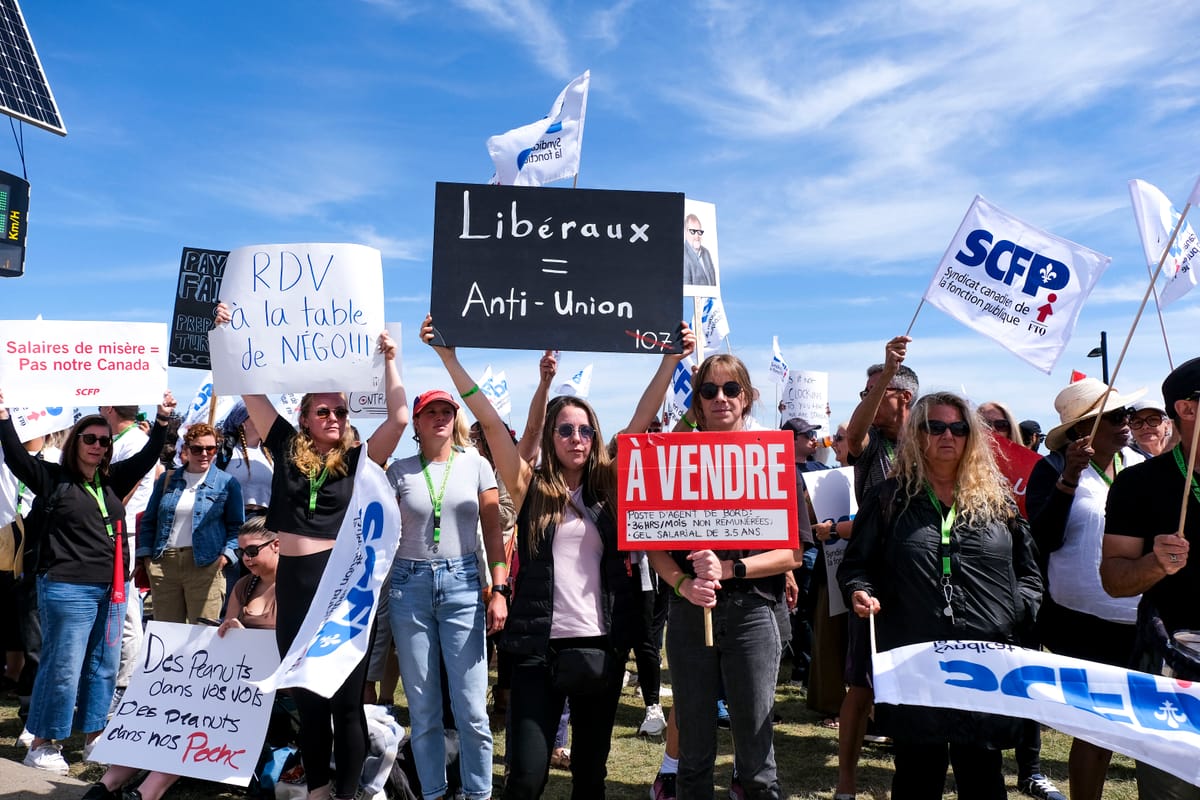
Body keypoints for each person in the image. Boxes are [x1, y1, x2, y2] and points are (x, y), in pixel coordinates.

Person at [422, 313, 692, 799]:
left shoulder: (607, 486)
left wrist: (671, 360)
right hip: (536, 652)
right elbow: (489, 421)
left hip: (602, 649)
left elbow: (641, 417)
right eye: (566, 430)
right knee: (526, 777)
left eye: (585, 431)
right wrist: (449, 359)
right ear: (551, 436)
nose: (576, 439)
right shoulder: (527, 486)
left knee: (589, 776)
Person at [216, 300, 408, 800]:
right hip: (296, 585)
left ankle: (346, 793)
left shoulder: (360, 459)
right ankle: (319, 790)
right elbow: (249, 387)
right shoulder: (283, 445)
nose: (334, 417)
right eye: (323, 411)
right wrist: (228, 333)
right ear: (303, 417)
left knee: (346, 701)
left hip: (342, 585)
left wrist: (391, 360)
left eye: (341, 411)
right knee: (308, 697)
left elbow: (400, 417)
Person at [839, 392, 1042, 798]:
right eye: (935, 427)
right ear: (917, 435)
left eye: (958, 428)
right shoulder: (889, 498)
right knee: (917, 773)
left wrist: (1012, 611)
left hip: (984, 659)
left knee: (983, 775)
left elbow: (1030, 575)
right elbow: (856, 566)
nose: (948, 436)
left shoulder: (998, 501)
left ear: (971, 437)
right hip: (916, 656)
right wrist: (860, 591)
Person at [649, 353, 804, 800]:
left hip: (753, 613)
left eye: (731, 389)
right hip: (689, 614)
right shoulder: (671, 462)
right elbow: (652, 544)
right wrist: (683, 584)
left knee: (756, 759)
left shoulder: (773, 459)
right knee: (694, 754)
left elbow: (792, 553)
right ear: (697, 401)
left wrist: (733, 569)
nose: (721, 398)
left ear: (747, 397)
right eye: (709, 390)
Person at [0, 390, 175, 774]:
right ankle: (43, 744)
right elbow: (14, 455)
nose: (98, 446)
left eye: (104, 441)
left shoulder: (113, 479)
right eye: (90, 438)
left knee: (102, 667)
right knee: (63, 668)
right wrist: (3, 416)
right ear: (75, 441)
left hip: (111, 589)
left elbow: (148, 458)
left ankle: (95, 737)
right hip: (66, 587)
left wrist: (162, 421)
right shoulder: (52, 478)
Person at [81, 517, 280, 800]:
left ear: (276, 545)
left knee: (195, 713)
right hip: (234, 677)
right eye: (241, 552)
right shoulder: (244, 585)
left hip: (269, 682)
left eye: (252, 551)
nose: (246, 559)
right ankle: (107, 784)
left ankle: (147, 792)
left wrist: (246, 636)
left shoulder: (296, 586)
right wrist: (229, 630)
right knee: (168, 702)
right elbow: (228, 632)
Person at [1027, 378, 1144, 800]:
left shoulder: (1139, 463)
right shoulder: (1053, 468)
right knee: (1097, 727)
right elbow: (1043, 539)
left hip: (1140, 615)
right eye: (1114, 416)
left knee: (1139, 724)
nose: (1126, 422)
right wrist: (1069, 480)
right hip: (1082, 621)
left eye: (1126, 413)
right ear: (1082, 429)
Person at [387, 388, 507, 800]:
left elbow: (493, 531)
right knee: (423, 710)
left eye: (447, 411)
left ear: (455, 419)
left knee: (472, 710)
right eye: (430, 412)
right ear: (417, 423)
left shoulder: (476, 464)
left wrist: (499, 588)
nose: (439, 417)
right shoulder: (399, 471)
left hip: (463, 584)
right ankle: (434, 793)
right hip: (409, 586)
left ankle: (478, 794)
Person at [1101, 356, 1200, 798]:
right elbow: (1113, 578)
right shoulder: (1138, 484)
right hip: (1174, 666)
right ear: (1187, 408)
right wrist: (1155, 564)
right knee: (1173, 790)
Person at [836, 335, 917, 800]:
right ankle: (846, 783)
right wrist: (884, 373)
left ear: (903, 398)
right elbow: (852, 435)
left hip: (918, 580)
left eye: (874, 393)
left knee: (913, 683)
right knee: (860, 687)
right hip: (871, 580)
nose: (864, 400)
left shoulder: (929, 443)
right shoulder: (871, 446)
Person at [137, 422, 244, 624]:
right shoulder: (168, 479)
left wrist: (225, 557)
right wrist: (148, 558)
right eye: (197, 449)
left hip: (206, 563)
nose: (204, 454)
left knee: (202, 632)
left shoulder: (227, 483)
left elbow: (237, 527)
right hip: (165, 564)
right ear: (186, 449)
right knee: (166, 633)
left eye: (210, 449)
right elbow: (149, 521)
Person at [98, 404, 162, 720]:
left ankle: (124, 686)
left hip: (124, 532)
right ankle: (115, 684)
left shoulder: (134, 441)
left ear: (109, 408)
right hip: (116, 531)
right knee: (119, 610)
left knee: (126, 612)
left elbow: (122, 491)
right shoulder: (124, 439)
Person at [218, 401, 275, 517]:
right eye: (257, 414)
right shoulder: (226, 452)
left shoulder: (270, 454)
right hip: (234, 518)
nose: (264, 419)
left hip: (264, 520)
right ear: (242, 422)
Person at [683, 213, 717, 287]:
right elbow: (686, 290)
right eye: (693, 231)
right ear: (685, 232)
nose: (697, 236)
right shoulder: (683, 255)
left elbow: (714, 283)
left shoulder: (706, 253)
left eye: (699, 232)